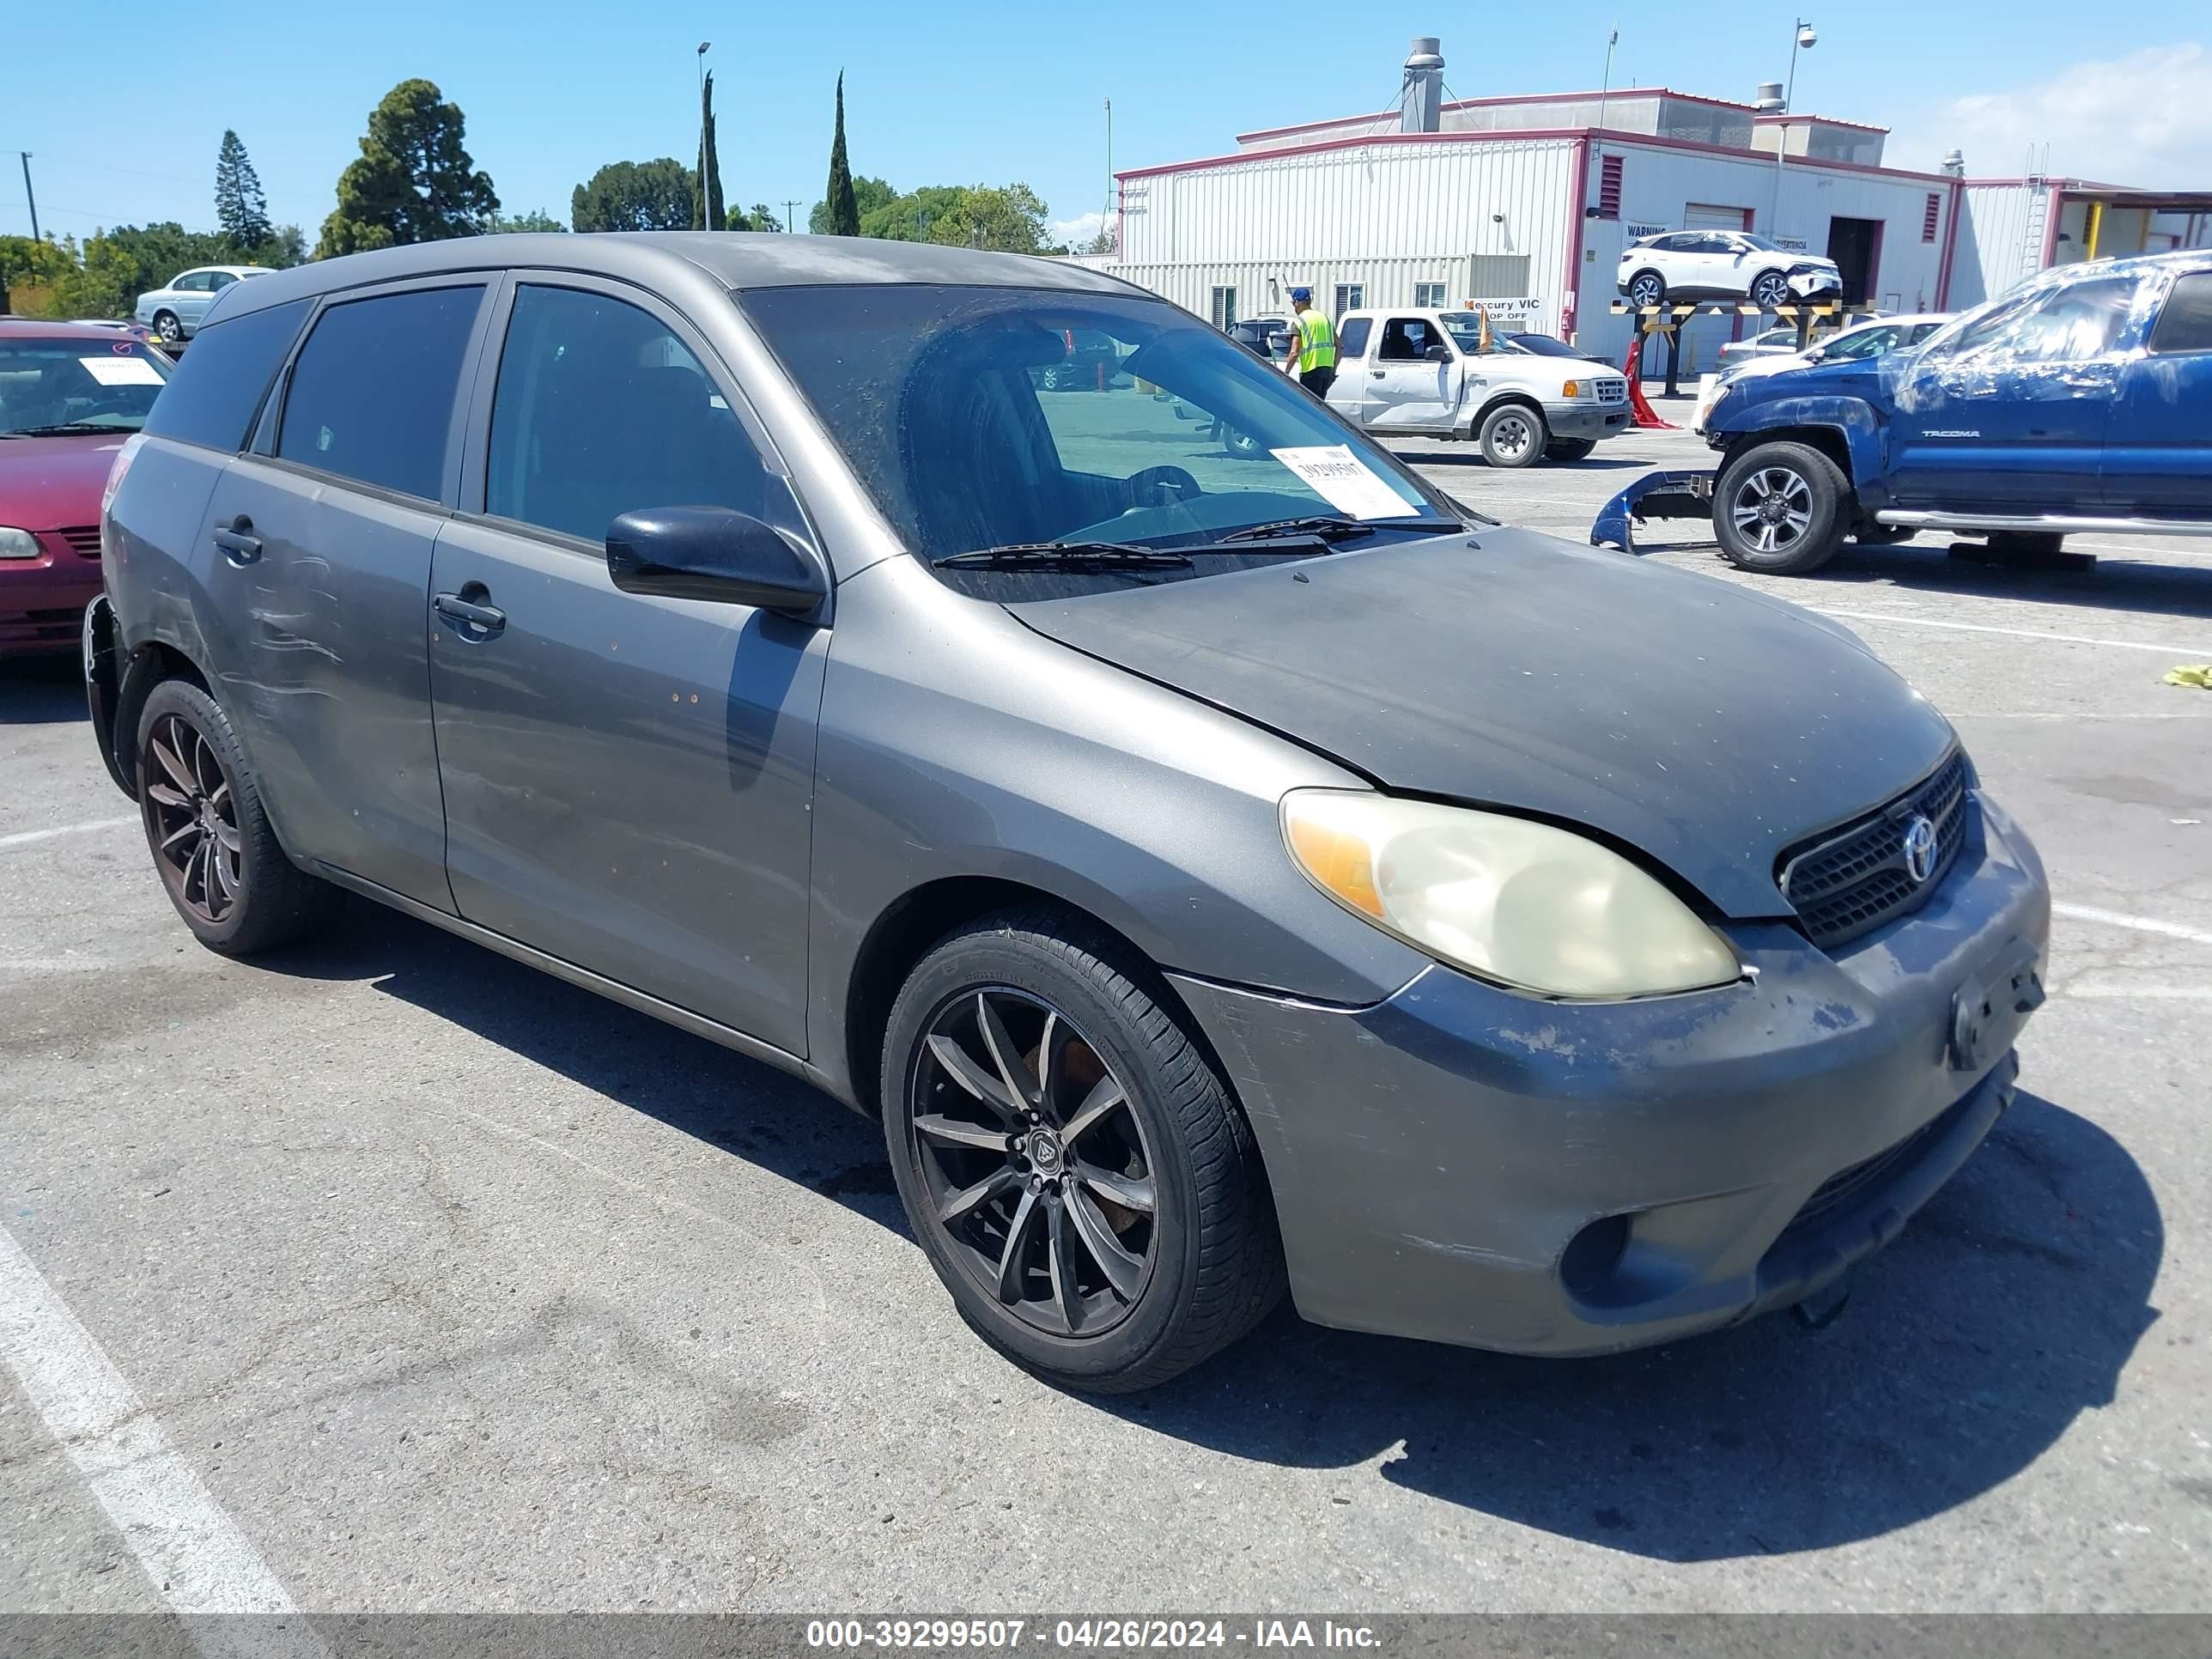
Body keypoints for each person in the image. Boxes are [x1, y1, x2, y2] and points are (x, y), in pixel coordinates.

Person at [1285, 287, 1336, 398]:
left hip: (1310, 372)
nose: (1294, 307)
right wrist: (1333, 371)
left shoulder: (1299, 322)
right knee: (1320, 407)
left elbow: (1294, 352)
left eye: (1294, 303)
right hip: (1326, 371)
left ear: (1297, 303)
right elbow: (1340, 347)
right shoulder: (1326, 319)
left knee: (1309, 407)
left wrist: (1286, 373)